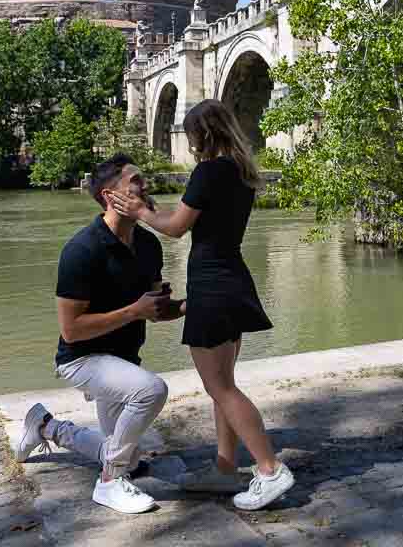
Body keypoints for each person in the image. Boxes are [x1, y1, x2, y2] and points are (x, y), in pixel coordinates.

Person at [105, 100, 294, 511]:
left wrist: (138, 210)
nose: (190, 144)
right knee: (222, 384)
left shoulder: (209, 170)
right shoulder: (240, 171)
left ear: (202, 135)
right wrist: (151, 210)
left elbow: (175, 229)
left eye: (191, 136)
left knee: (220, 386)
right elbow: (191, 218)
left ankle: (269, 469)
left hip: (212, 284)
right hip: (234, 279)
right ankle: (226, 470)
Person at [14, 154, 182, 515]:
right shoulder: (82, 250)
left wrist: (192, 306)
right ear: (111, 195)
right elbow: (71, 330)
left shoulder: (149, 245)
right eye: (135, 181)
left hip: (123, 361)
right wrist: (134, 311)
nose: (145, 186)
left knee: (125, 453)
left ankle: (45, 426)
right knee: (151, 390)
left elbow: (154, 311)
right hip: (82, 359)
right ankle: (108, 483)